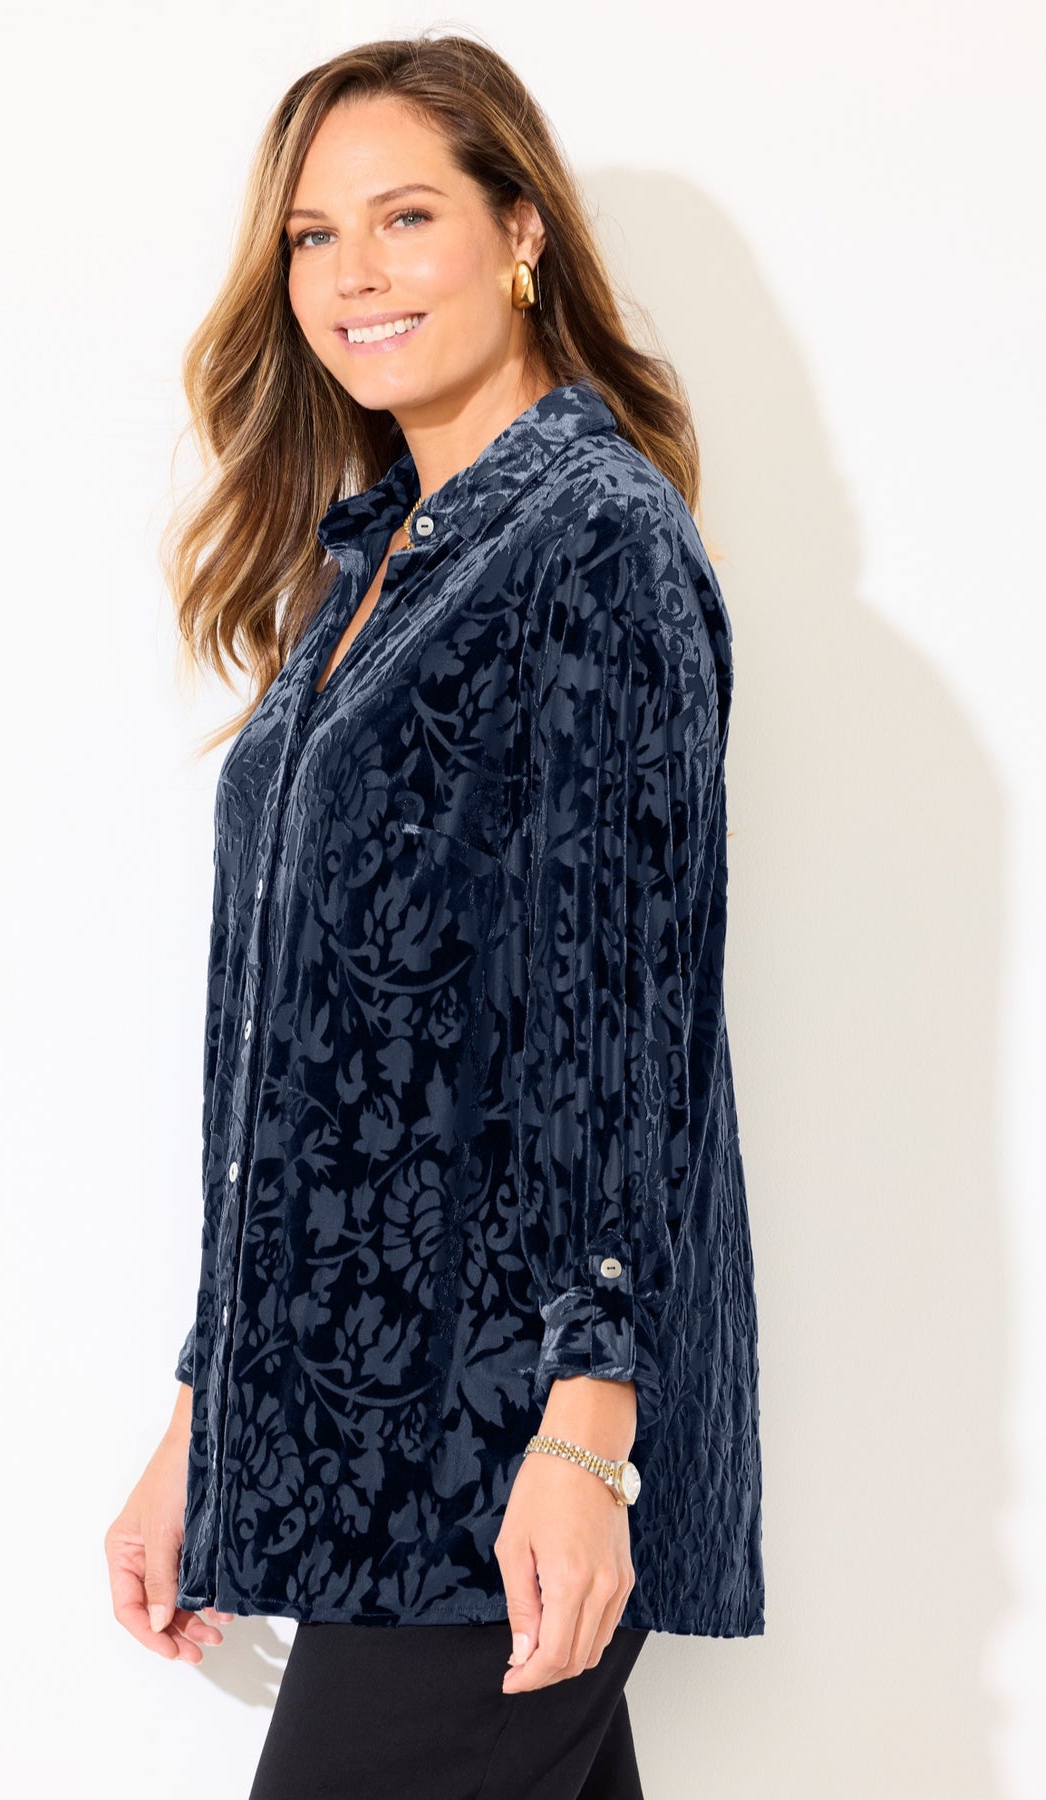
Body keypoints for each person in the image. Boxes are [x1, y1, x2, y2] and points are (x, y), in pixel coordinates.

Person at [104, 31, 765, 1799]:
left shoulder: (594, 544)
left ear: (519, 229)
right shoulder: (373, 562)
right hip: (362, 1437)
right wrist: (205, 1418)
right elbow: (291, 1059)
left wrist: (590, 1436)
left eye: (405, 217)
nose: (355, 275)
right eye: (314, 236)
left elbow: (624, 1015)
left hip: (500, 1443)